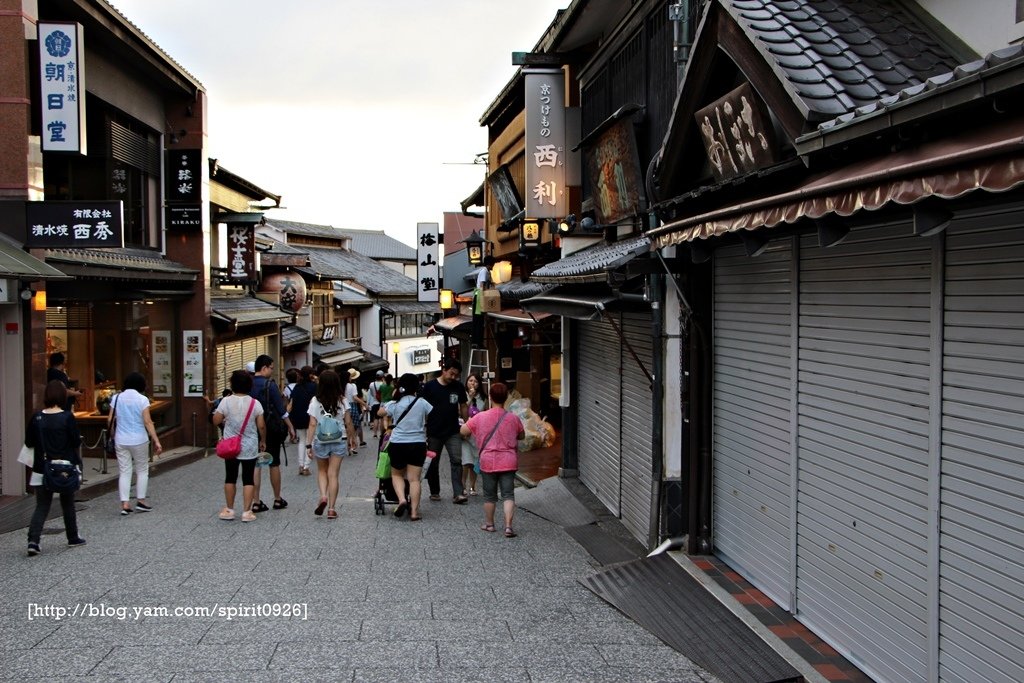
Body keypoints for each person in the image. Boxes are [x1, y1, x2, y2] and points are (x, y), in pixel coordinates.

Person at [25, 380, 87, 555]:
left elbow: (28, 442)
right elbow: (75, 441)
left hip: (41, 468)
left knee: (42, 505)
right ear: (62, 396)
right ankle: (72, 537)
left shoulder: (36, 418)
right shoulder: (67, 417)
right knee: (67, 503)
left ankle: (33, 541)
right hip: (64, 468)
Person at [461, 382, 525, 538]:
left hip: (488, 461)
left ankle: (490, 524)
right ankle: (508, 527)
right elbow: (522, 436)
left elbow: (463, 431)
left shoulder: (480, 417)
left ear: (490, 397)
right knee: (508, 495)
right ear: (506, 398)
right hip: (508, 461)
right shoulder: (513, 418)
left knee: (490, 496)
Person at [212, 370, 266, 522]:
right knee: (248, 478)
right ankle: (247, 512)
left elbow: (216, 420)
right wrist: (263, 440)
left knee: (230, 477)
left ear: (232, 384)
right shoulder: (255, 403)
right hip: (249, 445)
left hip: (231, 446)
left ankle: (229, 510)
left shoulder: (226, 401)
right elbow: (261, 426)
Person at [108, 372, 163, 515]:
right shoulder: (142, 399)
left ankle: (125, 504)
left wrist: (113, 434)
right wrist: (156, 440)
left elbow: (110, 420)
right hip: (139, 439)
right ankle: (141, 501)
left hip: (121, 439)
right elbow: (147, 421)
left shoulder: (116, 398)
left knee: (125, 471)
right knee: (142, 470)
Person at [306, 369, 357, 520]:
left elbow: (312, 424)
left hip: (320, 440)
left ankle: (323, 496)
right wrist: (351, 438)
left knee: (322, 471)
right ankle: (332, 509)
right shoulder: (342, 400)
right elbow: (348, 422)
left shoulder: (315, 401)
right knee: (333, 474)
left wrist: (308, 445)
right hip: (339, 439)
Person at [381, 373, 432, 521]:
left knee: (396, 474)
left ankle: (402, 499)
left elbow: (379, 412)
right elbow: (430, 416)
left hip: (398, 443)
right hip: (418, 443)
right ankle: (415, 512)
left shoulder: (395, 403)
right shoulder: (422, 402)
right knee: (414, 479)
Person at [249, 354, 295, 512]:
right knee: (273, 463)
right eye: (271, 368)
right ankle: (277, 499)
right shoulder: (270, 385)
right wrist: (290, 427)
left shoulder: (247, 384)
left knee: (256, 464)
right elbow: (281, 410)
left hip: (251, 430)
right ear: (264, 368)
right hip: (271, 430)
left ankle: (256, 501)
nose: (272, 371)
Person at [422, 358, 469, 504]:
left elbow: (463, 406)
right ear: (444, 370)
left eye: (456, 375)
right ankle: (434, 491)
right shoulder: (429, 387)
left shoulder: (458, 387)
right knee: (433, 462)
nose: (454, 377)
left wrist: (467, 425)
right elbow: (422, 408)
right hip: (434, 431)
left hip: (453, 430)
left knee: (456, 461)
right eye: (451, 374)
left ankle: (458, 493)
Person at [287, 366, 317, 476]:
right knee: (310, 441)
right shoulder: (314, 386)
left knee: (302, 441)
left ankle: (300, 465)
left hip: (298, 417)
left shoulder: (297, 387)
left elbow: (291, 402)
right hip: (310, 416)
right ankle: (306, 467)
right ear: (310, 375)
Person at [461, 373, 486, 496]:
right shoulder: (463, 396)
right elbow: (461, 411)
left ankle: (472, 486)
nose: (473, 383)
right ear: (466, 382)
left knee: (475, 461)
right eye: (470, 380)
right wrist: (470, 398)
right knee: (466, 461)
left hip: (477, 434)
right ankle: (462, 486)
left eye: (475, 381)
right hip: (465, 433)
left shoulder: (483, 398)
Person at [343, 367, 367, 450]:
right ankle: (353, 443)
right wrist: (364, 404)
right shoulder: (352, 385)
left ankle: (348, 445)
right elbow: (355, 397)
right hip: (352, 406)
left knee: (347, 427)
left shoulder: (342, 386)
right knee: (355, 426)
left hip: (344, 406)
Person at [368, 370, 387, 439]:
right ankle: (381, 434)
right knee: (382, 419)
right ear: (382, 376)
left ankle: (375, 434)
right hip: (382, 403)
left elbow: (372, 394)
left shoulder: (371, 384)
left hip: (374, 403)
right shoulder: (383, 384)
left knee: (375, 419)